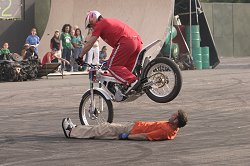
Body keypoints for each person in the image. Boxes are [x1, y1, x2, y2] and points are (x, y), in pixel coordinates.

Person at [77, 11, 143, 94]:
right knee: (125, 71)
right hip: (137, 41)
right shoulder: (108, 22)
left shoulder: (100, 24)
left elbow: (90, 43)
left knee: (112, 66)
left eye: (90, 25)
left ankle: (133, 81)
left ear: (93, 19)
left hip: (126, 42)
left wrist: (80, 56)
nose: (92, 28)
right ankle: (137, 85)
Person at [62, 109, 188, 141]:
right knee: (103, 129)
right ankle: (77, 129)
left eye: (174, 115)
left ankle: (71, 132)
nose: (171, 115)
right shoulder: (173, 128)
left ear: (176, 121)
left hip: (131, 130)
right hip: (133, 126)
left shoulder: (166, 130)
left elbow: (146, 136)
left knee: (104, 128)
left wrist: (126, 136)